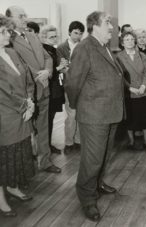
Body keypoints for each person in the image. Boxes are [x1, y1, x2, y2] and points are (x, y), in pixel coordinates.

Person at [65, 11, 124, 221]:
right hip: (93, 115)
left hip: (110, 113)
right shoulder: (84, 48)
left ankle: (97, 184)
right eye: (108, 22)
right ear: (95, 25)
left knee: (103, 156)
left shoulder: (104, 47)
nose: (112, 27)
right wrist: (75, 106)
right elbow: (73, 83)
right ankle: (87, 199)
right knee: (92, 160)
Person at [6, 6, 61, 173]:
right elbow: (18, 66)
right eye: (20, 16)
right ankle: (25, 165)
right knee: (24, 131)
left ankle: (44, 161)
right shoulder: (8, 40)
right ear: (10, 20)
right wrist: (39, 73)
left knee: (43, 128)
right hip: (25, 93)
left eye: (25, 15)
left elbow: (46, 57)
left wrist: (48, 71)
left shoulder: (32, 35)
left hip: (43, 89)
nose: (25, 18)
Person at [0, 15, 35, 217]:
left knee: (19, 152)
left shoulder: (12, 53)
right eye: (3, 32)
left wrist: (30, 101)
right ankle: (1, 197)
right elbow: (4, 92)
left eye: (8, 31)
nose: (8, 35)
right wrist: (25, 106)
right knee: (4, 157)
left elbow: (27, 77)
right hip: (5, 116)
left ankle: (12, 186)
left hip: (23, 112)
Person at [117, 31, 146, 152]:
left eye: (131, 39)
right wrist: (129, 87)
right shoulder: (119, 57)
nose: (129, 41)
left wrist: (143, 86)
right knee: (130, 118)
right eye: (126, 39)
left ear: (134, 41)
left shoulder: (142, 56)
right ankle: (131, 141)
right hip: (128, 92)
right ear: (122, 43)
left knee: (145, 118)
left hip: (142, 91)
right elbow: (119, 76)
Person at [57, 21, 84, 154]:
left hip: (83, 86)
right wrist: (72, 69)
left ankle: (78, 141)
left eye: (80, 33)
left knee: (81, 114)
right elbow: (62, 68)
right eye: (75, 32)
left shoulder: (83, 46)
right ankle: (69, 142)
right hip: (69, 85)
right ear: (69, 32)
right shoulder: (62, 47)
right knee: (71, 114)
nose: (78, 36)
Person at [40, 25, 68, 154]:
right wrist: (59, 67)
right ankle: (44, 148)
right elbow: (44, 72)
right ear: (44, 37)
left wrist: (63, 67)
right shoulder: (42, 51)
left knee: (50, 119)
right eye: (51, 37)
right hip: (49, 90)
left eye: (56, 36)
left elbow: (57, 70)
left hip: (56, 89)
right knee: (46, 121)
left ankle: (48, 146)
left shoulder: (53, 50)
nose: (55, 39)